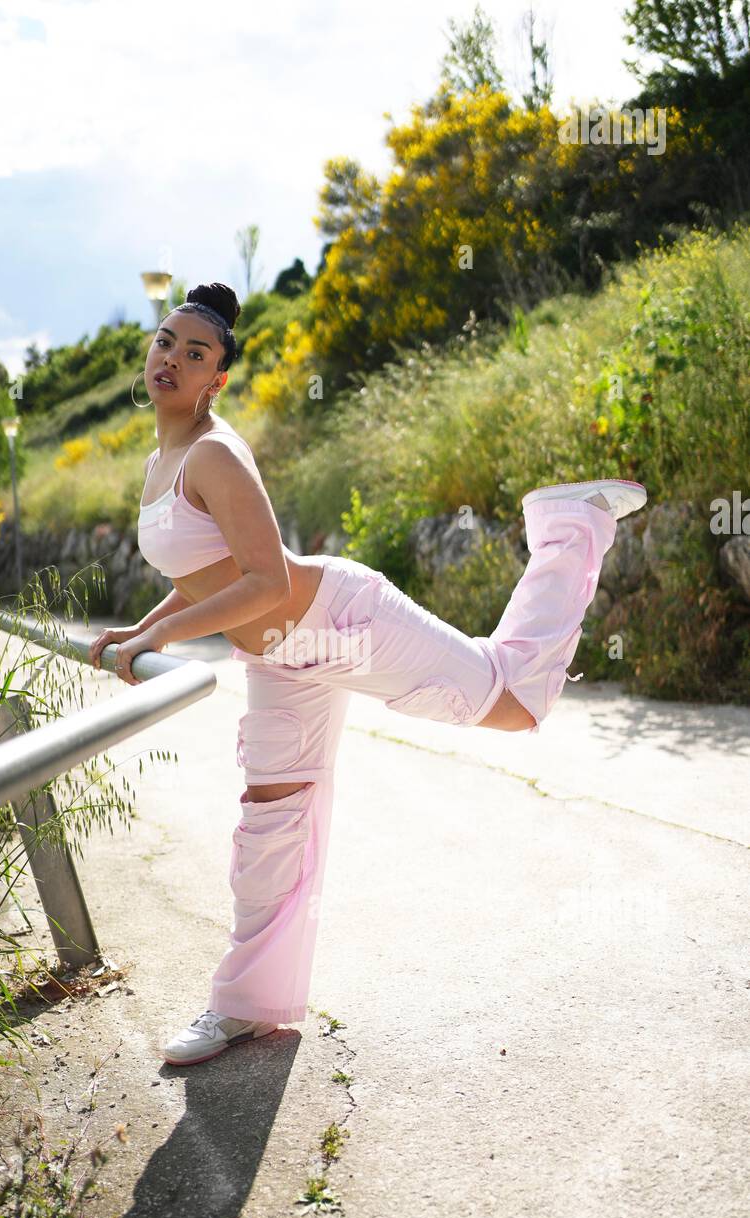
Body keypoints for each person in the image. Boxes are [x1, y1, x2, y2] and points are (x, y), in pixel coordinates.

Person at [89, 279, 647, 1067]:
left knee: (514, 699)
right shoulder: (160, 463)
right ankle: (244, 1006)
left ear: (218, 378)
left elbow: (268, 581)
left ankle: (570, 523)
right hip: (279, 658)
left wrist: (171, 631)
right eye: (165, 343)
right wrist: (144, 627)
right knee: (269, 815)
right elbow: (204, 569)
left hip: (338, 623)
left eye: (196, 353)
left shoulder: (215, 452)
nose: (172, 359)